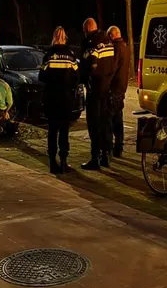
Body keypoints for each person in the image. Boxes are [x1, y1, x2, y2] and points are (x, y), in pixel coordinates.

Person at [39, 27, 79, 174]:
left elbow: (41, 77)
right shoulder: (70, 55)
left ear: (54, 37)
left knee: (52, 130)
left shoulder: (48, 55)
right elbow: (76, 77)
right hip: (66, 98)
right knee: (64, 131)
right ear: (65, 38)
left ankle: (52, 162)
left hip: (51, 98)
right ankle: (63, 161)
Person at [79, 18, 115, 170]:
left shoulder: (91, 43)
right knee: (105, 122)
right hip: (107, 88)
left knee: (94, 124)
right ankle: (106, 156)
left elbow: (92, 63)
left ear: (87, 30)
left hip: (95, 89)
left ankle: (95, 158)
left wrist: (85, 76)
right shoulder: (108, 41)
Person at [107, 26, 130, 158]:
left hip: (114, 87)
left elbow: (113, 68)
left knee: (111, 119)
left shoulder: (116, 48)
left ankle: (110, 148)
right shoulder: (125, 47)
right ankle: (119, 147)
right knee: (118, 118)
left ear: (112, 35)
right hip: (122, 87)